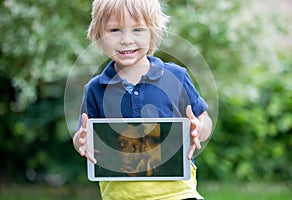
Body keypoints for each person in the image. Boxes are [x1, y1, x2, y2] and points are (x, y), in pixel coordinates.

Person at [73, 0, 213, 199]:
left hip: (177, 193)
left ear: (153, 33)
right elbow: (82, 137)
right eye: (115, 30)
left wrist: (198, 129)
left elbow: (203, 119)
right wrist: (81, 140)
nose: (126, 40)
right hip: (120, 195)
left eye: (137, 29)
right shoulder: (95, 89)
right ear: (98, 35)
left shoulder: (176, 76)